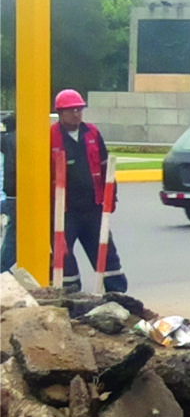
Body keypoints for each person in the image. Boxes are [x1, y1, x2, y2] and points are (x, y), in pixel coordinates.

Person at [53, 89, 126, 293]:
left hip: (93, 207)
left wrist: (111, 197)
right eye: (70, 110)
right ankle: (69, 295)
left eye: (79, 109)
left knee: (105, 251)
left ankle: (116, 293)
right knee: (63, 255)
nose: (76, 114)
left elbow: (105, 166)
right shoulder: (51, 136)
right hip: (65, 211)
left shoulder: (92, 133)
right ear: (60, 113)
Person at [2, 113, 16, 273]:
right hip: (29, 193)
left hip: (13, 194)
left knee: (13, 238)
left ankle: (3, 269)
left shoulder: (6, 140)